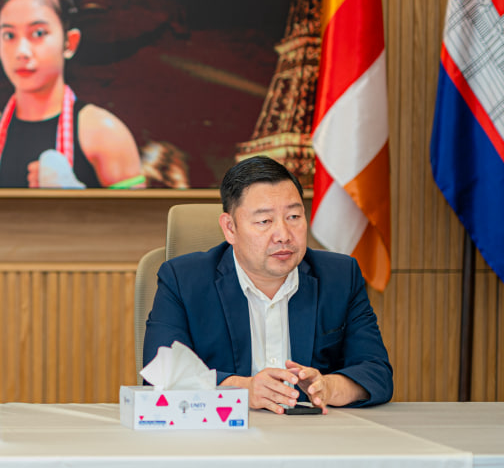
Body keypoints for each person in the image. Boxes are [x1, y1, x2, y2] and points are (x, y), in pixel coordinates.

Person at [143, 156, 392, 413]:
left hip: (314, 432)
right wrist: (240, 389)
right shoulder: (183, 280)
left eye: (293, 216)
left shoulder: (340, 276)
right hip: (224, 433)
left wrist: (329, 387)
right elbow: (158, 374)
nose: (283, 235)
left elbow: (377, 373)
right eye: (264, 221)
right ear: (230, 228)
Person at [0, 0, 145, 189]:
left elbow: (137, 212)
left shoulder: (105, 133)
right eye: (9, 35)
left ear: (69, 43)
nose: (21, 51)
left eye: (38, 33)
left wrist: (76, 200)